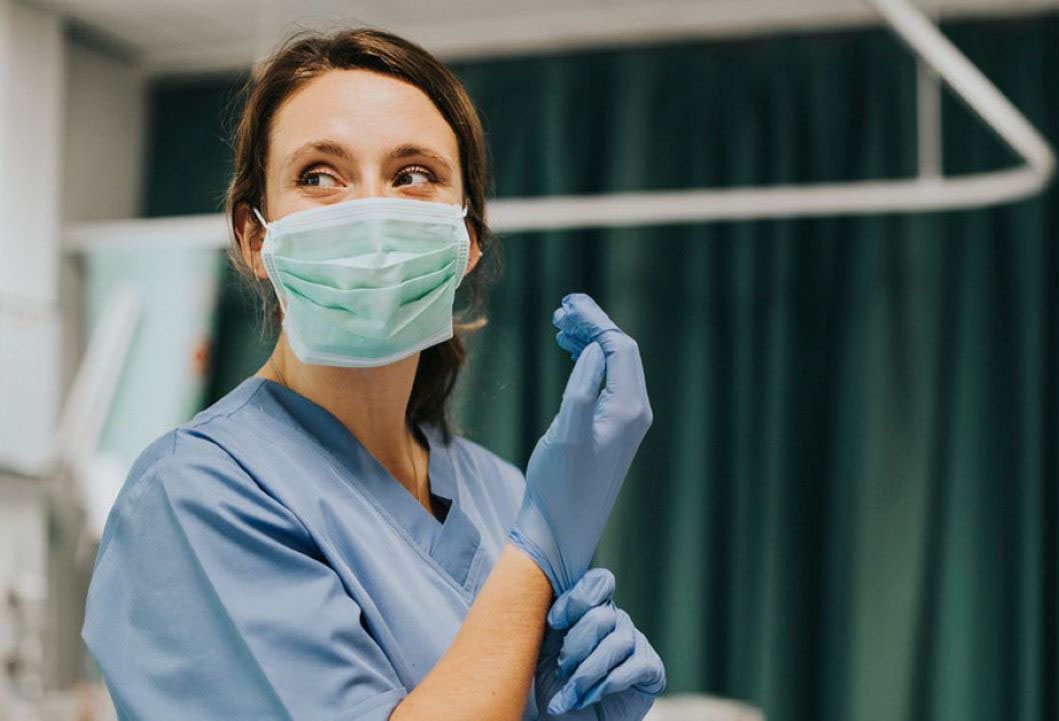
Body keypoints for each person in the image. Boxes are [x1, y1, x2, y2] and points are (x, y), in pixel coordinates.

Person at [81, 27, 664, 721]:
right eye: (319, 175)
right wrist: (538, 550)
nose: (370, 211)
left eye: (413, 174)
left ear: (467, 240)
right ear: (254, 237)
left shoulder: (503, 493)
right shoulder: (192, 497)